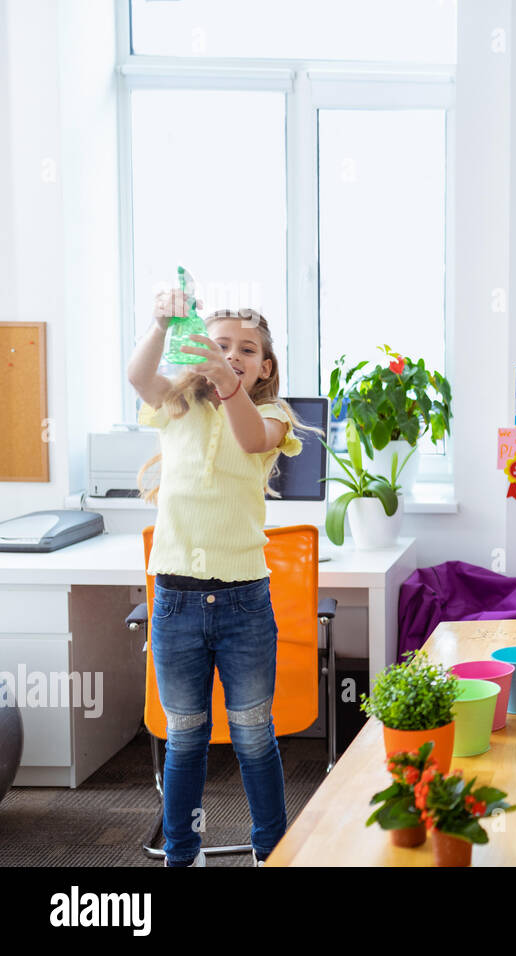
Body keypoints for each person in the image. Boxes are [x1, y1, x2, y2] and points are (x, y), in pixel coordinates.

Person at [128, 289, 314, 867]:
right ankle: (182, 853)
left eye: (247, 349)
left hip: (243, 603)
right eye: (220, 343)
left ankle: (271, 850)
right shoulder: (175, 405)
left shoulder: (274, 416)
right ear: (195, 350)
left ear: (265, 367)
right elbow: (138, 375)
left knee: (254, 734)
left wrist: (227, 384)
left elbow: (251, 439)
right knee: (184, 738)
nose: (232, 353)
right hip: (176, 600)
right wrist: (161, 326)